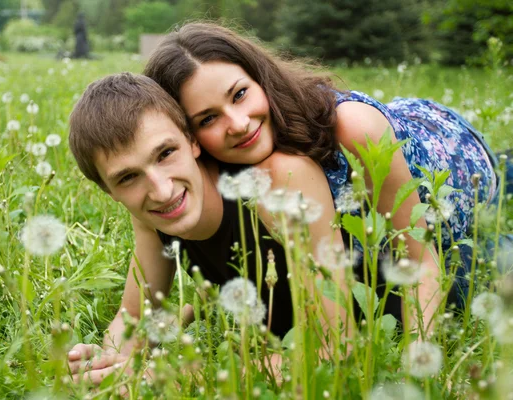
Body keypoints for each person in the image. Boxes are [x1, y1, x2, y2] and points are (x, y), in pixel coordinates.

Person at [143, 22, 510, 322]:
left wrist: (415, 366)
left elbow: (419, 259)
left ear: (260, 78)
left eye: (239, 94)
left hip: (453, 163)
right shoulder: (207, 169)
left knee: (475, 260)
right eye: (208, 118)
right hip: (373, 216)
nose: (238, 124)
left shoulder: (350, 127)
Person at [67, 73, 305, 384]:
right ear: (109, 192)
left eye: (165, 154)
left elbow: (332, 343)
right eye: (128, 178)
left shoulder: (273, 189)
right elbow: (137, 318)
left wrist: (171, 374)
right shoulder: (150, 219)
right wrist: (109, 360)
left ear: (192, 140)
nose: (162, 191)